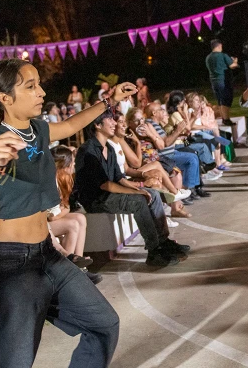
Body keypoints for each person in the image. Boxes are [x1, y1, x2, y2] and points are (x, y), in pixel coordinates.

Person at [0, 59, 129, 368]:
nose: (41, 92)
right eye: (30, 86)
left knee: (102, 324)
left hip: (46, 255)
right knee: (16, 357)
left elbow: (71, 126)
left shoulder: (38, 129)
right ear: (5, 98)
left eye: (39, 84)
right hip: (10, 266)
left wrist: (106, 103)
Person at [74, 108, 189, 268]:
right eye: (110, 120)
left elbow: (119, 178)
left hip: (109, 193)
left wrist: (140, 186)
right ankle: (153, 250)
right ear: (98, 125)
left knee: (153, 194)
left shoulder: (109, 148)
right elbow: (105, 184)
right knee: (139, 201)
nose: (114, 123)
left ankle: (164, 241)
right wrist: (137, 191)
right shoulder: (89, 151)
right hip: (97, 199)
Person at [46, 146, 95, 269]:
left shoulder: (63, 179)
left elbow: (65, 207)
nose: (74, 165)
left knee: (80, 218)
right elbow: (51, 217)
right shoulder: (49, 182)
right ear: (64, 165)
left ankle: (80, 263)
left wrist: (62, 212)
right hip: (43, 224)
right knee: (72, 224)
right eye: (72, 162)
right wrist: (62, 212)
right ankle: (67, 268)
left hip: (53, 219)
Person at [205, 38, 239, 124]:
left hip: (213, 81)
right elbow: (232, 66)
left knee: (220, 100)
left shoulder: (208, 57)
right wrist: (235, 61)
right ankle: (226, 119)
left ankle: (224, 118)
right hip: (223, 81)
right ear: (220, 46)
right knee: (226, 99)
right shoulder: (223, 55)